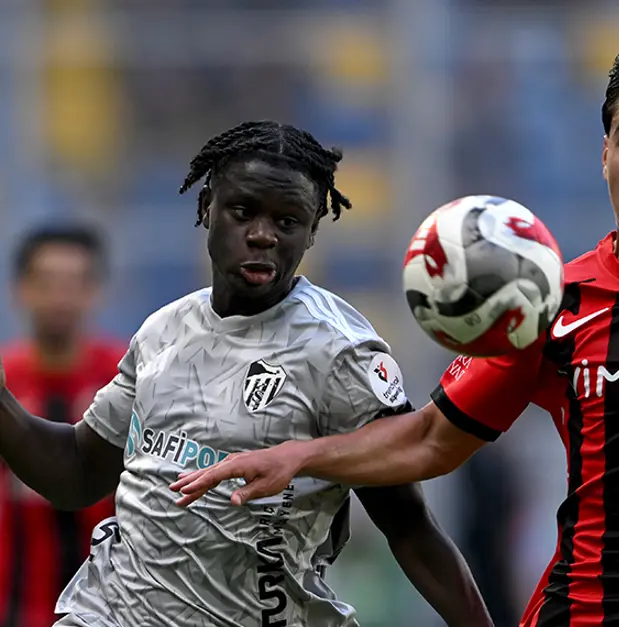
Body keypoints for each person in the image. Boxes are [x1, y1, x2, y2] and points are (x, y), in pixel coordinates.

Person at [171, 39, 619, 627]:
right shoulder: (548, 302)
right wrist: (302, 456)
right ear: (605, 154)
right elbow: (431, 439)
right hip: (583, 609)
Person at [0, 120, 492, 627]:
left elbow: (410, 528)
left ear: (312, 231)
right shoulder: (163, 331)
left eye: (287, 221)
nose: (262, 235)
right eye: (243, 212)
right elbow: (80, 472)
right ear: (206, 207)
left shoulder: (339, 354)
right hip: (110, 614)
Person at [0, 226, 122, 627]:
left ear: (96, 291)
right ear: (20, 289)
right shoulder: (5, 384)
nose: (60, 298)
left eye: (75, 283)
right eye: (46, 282)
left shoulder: (128, 380)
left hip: (113, 612)